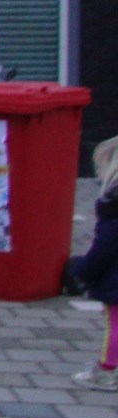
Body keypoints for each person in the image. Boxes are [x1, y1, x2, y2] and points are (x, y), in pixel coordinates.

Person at [70, 135, 118, 392]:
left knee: (115, 324)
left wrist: (83, 271)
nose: (97, 174)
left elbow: (103, 251)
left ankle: (109, 370)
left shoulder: (113, 209)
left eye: (100, 168)